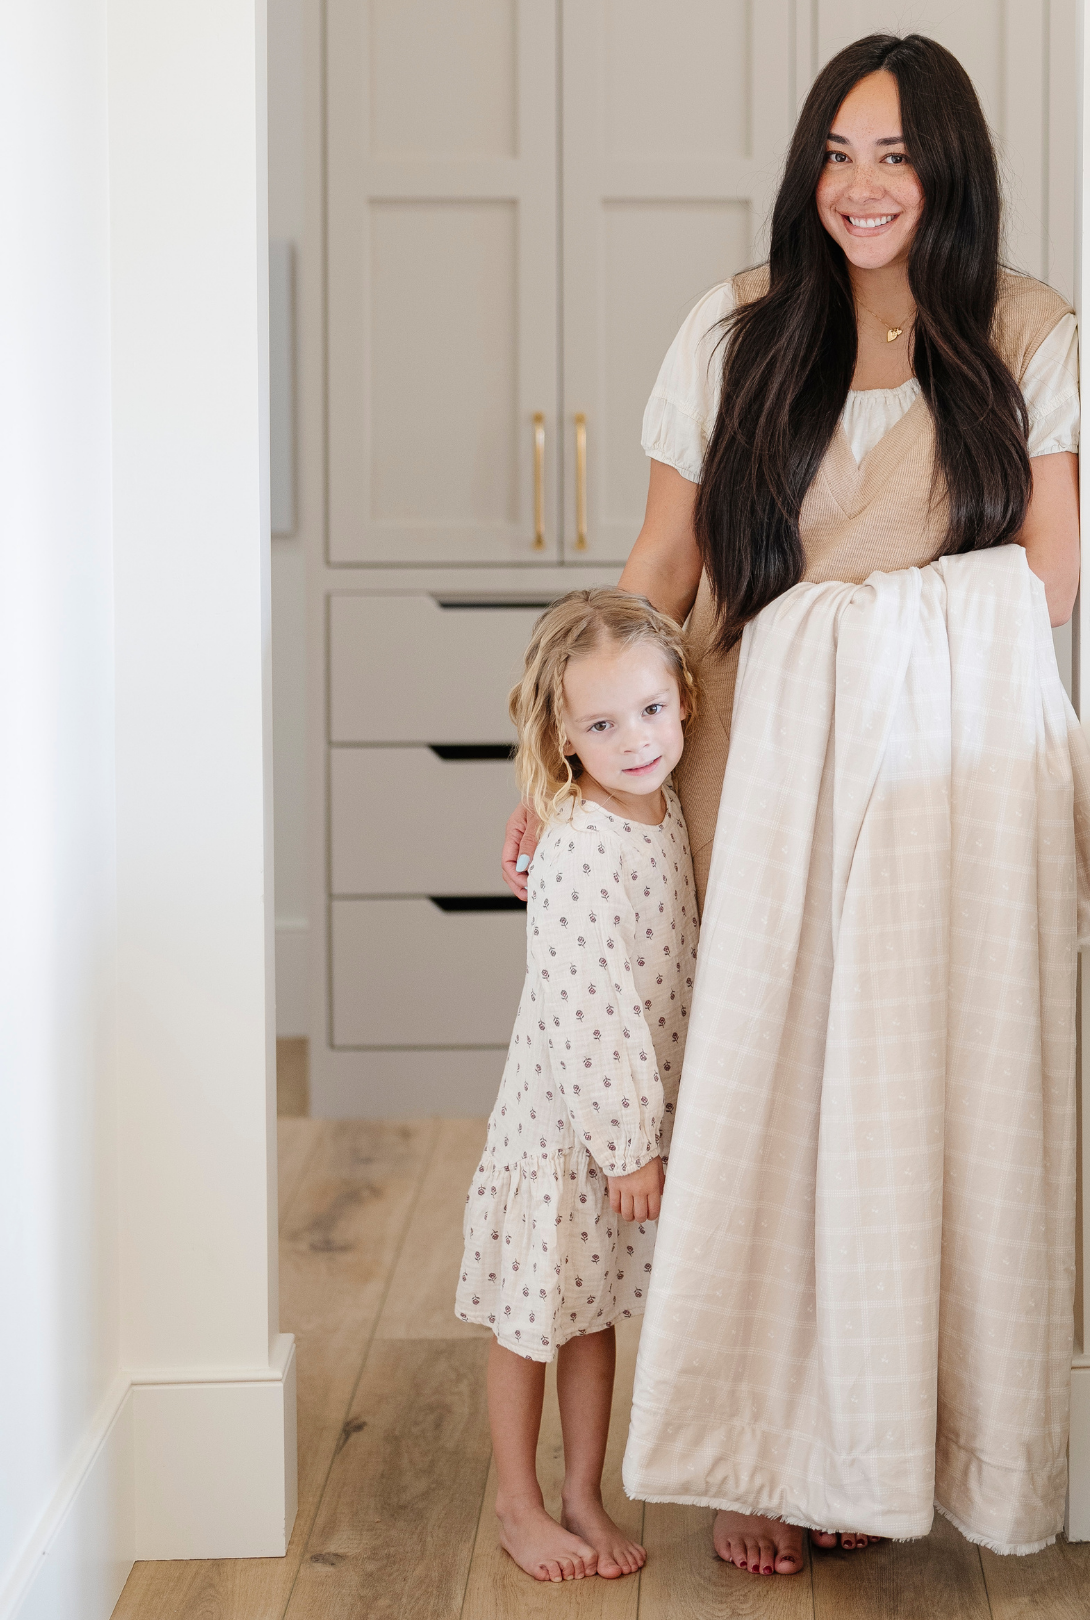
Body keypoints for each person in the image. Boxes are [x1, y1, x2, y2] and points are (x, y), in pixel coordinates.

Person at [503, 34, 1086, 1577]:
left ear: (948, 167)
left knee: (884, 1127)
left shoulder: (1023, 335)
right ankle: (761, 1450)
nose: (860, 186)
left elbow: (1050, 578)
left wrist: (867, 638)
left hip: (926, 792)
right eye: (836, 152)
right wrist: (552, 756)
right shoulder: (740, 328)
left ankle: (870, 1443)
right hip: (738, 771)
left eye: (894, 155)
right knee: (752, 1118)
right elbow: (662, 569)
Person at [460, 588, 699, 1582]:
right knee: (532, 1320)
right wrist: (631, 1144)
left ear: (683, 697)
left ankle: (583, 1494)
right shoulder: (578, 849)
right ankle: (519, 1504)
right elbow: (591, 1011)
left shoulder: (666, 803)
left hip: (613, 1132)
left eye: (649, 710)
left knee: (591, 1315)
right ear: (564, 735)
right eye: (602, 724)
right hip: (568, 1135)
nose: (634, 738)